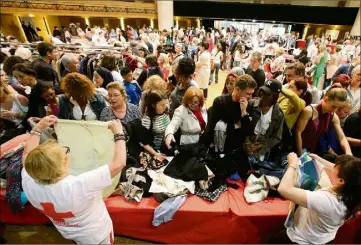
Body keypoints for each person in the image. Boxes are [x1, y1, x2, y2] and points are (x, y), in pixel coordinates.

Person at [21, 116, 126, 244]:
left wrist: (37, 128)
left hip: (68, 231)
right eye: (65, 151)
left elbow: (27, 154)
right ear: (65, 163)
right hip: (97, 235)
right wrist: (119, 134)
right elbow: (118, 163)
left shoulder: (29, 181)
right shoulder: (79, 186)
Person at [272, 153, 361, 244]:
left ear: (341, 181)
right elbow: (335, 168)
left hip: (302, 240)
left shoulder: (327, 200)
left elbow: (284, 189)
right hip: (323, 239)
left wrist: (292, 165)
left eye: (336, 168)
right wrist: (318, 159)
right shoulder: (353, 195)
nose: (333, 167)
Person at [201, 74, 257, 153]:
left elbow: (248, 132)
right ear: (237, 89)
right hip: (218, 147)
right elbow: (212, 127)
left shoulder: (249, 105)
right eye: (248, 94)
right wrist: (236, 125)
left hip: (236, 149)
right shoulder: (220, 101)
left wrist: (244, 113)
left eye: (252, 94)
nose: (251, 97)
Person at [295, 86, 352, 157]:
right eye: (334, 106)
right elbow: (298, 132)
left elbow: (341, 137)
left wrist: (348, 152)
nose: (335, 110)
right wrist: (300, 154)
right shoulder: (309, 111)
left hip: (311, 152)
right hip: (295, 150)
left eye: (338, 107)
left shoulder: (333, 116)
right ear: (326, 99)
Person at [243, 79, 284, 161]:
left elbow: (276, 137)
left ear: (274, 96)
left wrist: (260, 147)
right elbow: (243, 125)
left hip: (261, 147)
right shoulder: (251, 104)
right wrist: (246, 142)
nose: (262, 94)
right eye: (262, 90)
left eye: (267, 93)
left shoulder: (278, 114)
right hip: (246, 142)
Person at [12, 64, 47, 128]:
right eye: (16, 77)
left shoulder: (42, 88)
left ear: (31, 75)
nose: (19, 80)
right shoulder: (33, 88)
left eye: (21, 77)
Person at [142, 90, 170, 155]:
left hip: (166, 148)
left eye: (166, 103)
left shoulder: (164, 113)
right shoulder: (147, 119)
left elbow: (166, 126)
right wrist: (155, 153)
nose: (165, 106)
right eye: (162, 105)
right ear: (153, 105)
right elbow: (143, 141)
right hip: (155, 151)